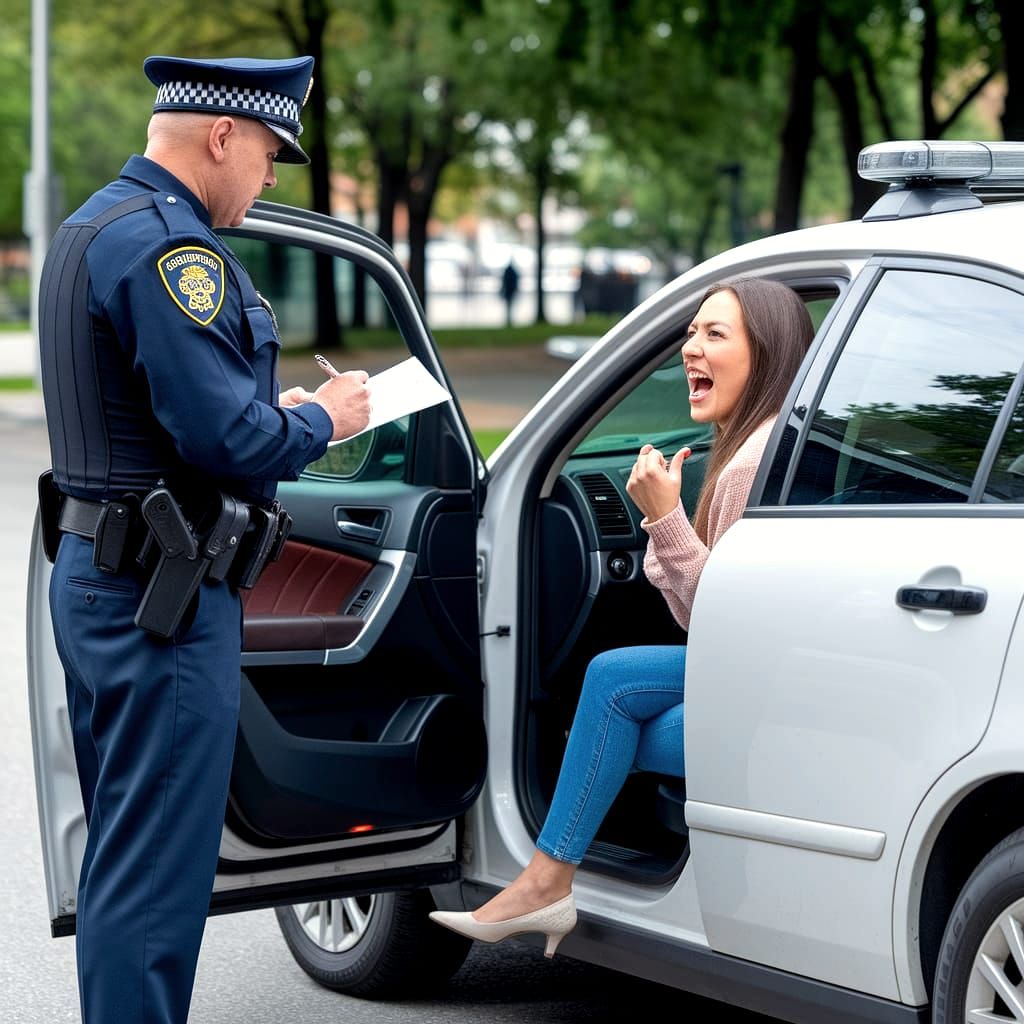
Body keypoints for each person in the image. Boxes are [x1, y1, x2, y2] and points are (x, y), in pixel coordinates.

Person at [38, 55, 371, 1024]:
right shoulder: (169, 251)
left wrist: (267, 406)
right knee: (155, 886)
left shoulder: (95, 224)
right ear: (222, 135)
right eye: (268, 153)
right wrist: (328, 418)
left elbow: (157, 413)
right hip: (164, 608)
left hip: (110, 584)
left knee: (125, 861)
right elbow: (221, 439)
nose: (268, 178)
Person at [430, 277, 814, 956]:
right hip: (771, 672)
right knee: (610, 686)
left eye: (714, 335)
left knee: (606, 718)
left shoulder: (748, 466)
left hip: (767, 686)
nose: (690, 348)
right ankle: (548, 881)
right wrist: (666, 522)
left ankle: (545, 883)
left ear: (769, 353)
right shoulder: (768, 442)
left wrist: (665, 518)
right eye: (691, 333)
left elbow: (716, 627)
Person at [500, 260, 520, 326]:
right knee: (510, 305)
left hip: (508, 291)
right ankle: (509, 320)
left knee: (509, 306)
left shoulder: (507, 271)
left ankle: (509, 320)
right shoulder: (513, 271)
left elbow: (504, 281)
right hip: (511, 290)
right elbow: (516, 281)